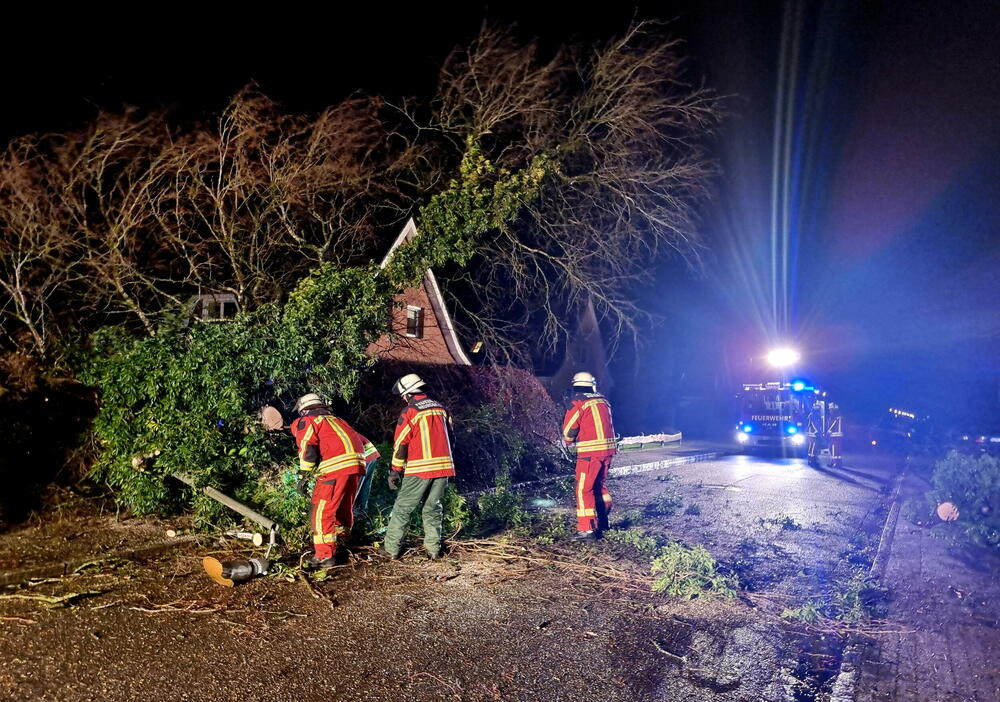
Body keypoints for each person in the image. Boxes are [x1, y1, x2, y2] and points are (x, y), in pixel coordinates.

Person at [290, 393, 380, 569]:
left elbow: (308, 448)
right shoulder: (337, 420)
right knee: (343, 508)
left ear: (303, 410)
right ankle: (342, 541)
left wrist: (303, 476)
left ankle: (325, 555)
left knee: (320, 512)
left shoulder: (307, 421)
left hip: (335, 468)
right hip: (356, 466)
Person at [381, 374, 455, 560]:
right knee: (433, 508)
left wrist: (395, 471)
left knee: (402, 509)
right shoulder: (441, 409)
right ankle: (433, 550)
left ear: (407, 394)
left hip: (419, 469)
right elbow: (452, 438)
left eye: (402, 396)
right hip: (444, 468)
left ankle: (391, 549)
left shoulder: (410, 411)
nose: (403, 399)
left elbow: (401, 445)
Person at [561, 371, 617, 540]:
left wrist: (568, 441)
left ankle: (587, 529)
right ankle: (603, 520)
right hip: (608, 452)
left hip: (589, 454)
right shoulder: (604, 401)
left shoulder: (579, 402)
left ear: (575, 386)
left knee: (583, 489)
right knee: (599, 486)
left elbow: (569, 430)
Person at [806, 400, 824, 468]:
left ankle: (812, 459)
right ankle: (811, 459)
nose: (819, 408)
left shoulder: (814, 414)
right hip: (812, 433)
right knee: (812, 446)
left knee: (813, 446)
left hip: (813, 433)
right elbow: (812, 424)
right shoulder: (813, 414)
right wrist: (816, 431)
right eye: (818, 407)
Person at [826, 402, 843, 469]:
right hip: (836, 435)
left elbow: (833, 424)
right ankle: (836, 462)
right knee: (835, 449)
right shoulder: (836, 416)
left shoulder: (836, 417)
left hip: (835, 435)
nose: (830, 411)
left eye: (831, 409)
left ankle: (835, 463)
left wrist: (829, 430)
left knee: (834, 449)